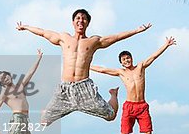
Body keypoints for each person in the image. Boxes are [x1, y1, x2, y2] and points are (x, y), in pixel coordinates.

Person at [16, 9, 151, 125]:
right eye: (78, 18)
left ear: (87, 23)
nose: (81, 20)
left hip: (84, 88)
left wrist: (136, 31)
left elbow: (116, 37)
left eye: (84, 18)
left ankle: (113, 95)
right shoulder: (64, 38)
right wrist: (26, 27)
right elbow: (43, 32)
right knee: (43, 121)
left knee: (110, 115)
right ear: (73, 22)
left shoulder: (94, 41)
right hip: (65, 89)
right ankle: (51, 110)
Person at [90, 36, 176, 134]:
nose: (127, 60)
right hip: (129, 107)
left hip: (142, 106)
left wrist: (166, 45)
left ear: (132, 58)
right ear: (121, 63)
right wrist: (86, 65)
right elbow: (102, 70)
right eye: (124, 59)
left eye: (128, 58)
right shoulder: (121, 72)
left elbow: (153, 56)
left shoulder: (140, 67)